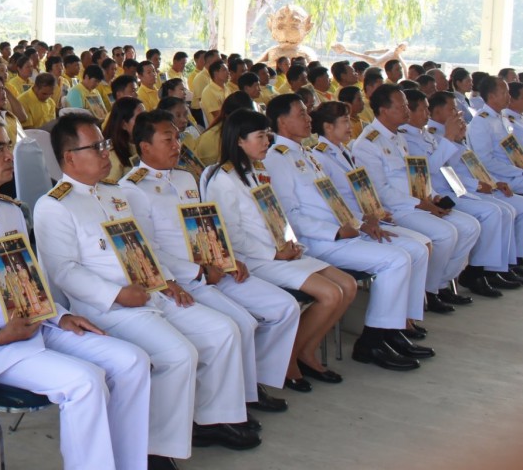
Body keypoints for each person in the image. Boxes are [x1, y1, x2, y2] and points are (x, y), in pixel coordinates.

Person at [0, 115, 154, 470]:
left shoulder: (11, 213)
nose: (9, 154)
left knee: (132, 360)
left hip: (38, 327)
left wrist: (60, 315)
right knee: (86, 382)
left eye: (9, 146)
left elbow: (30, 285)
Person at [36, 112, 253, 464]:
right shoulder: (54, 205)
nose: (106, 153)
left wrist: (166, 280)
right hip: (107, 307)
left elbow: (142, 247)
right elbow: (64, 272)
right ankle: (152, 447)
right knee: (179, 354)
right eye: (96, 147)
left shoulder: (112, 194)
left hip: (149, 291)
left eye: (105, 145)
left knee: (222, 330)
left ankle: (210, 419)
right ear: (70, 157)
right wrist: (117, 294)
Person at [120, 110, 298, 418]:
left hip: (210, 269)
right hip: (179, 278)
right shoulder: (131, 189)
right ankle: (217, 414)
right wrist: (200, 271)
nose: (177, 145)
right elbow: (149, 251)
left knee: (274, 310)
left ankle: (247, 393)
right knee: (233, 327)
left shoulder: (185, 177)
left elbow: (205, 227)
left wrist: (227, 257)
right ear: (145, 147)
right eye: (168, 139)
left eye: (177, 137)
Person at [266, 96, 430, 371]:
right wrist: (337, 231)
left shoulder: (304, 152)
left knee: (413, 250)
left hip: (342, 230)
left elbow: (332, 202)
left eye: (307, 113)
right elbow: (290, 215)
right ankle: (373, 340)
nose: (309, 119)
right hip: (318, 241)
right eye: (301, 114)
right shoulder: (278, 159)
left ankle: (392, 330)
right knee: (397, 259)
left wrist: (360, 221)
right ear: (282, 121)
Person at [201, 110, 358, 388]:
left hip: (281, 251)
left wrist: (289, 242)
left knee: (347, 285)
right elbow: (232, 237)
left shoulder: (258, 169)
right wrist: (275, 253)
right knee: (331, 294)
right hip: (257, 259)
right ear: (239, 141)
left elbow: (276, 214)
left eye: (267, 135)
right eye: (259, 136)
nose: (266, 142)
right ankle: (289, 360)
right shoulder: (223, 179)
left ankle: (303, 351)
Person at [351, 84, 481, 314]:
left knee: (469, 226)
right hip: (396, 209)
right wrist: (421, 203)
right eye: (401, 106)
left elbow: (415, 175)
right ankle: (428, 292)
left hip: (417, 202)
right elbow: (380, 190)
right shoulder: (368, 143)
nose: (406, 111)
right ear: (383, 110)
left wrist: (431, 196)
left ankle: (439, 284)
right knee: (445, 233)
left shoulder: (398, 136)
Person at [399, 89, 520, 296]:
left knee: (504, 210)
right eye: (451, 108)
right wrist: (450, 139)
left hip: (457, 188)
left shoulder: (428, 135)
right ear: (437, 112)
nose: (456, 112)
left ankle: (496, 267)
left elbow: (456, 166)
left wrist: (487, 182)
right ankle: (472, 273)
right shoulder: (417, 137)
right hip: (442, 193)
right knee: (492, 213)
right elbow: (432, 172)